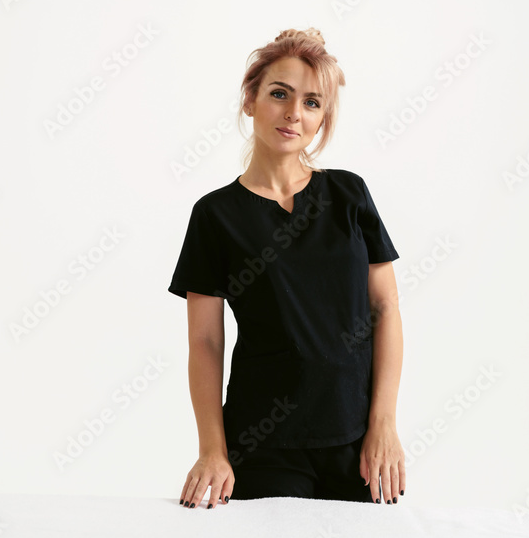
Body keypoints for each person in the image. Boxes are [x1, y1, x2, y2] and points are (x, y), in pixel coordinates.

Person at [168, 28, 405, 510]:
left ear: (322, 119)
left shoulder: (349, 195)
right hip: (263, 446)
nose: (294, 112)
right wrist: (212, 451)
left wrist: (384, 425)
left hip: (356, 444)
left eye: (312, 103)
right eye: (280, 94)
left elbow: (386, 307)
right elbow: (206, 342)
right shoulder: (215, 216)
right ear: (250, 101)